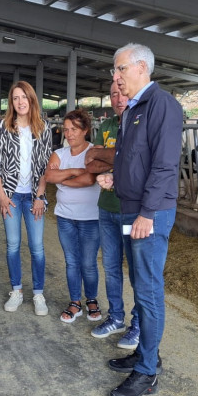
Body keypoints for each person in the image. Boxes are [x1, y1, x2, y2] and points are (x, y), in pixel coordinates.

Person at [97, 43, 182, 396]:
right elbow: (134, 159)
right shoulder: (134, 109)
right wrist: (115, 178)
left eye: (120, 70)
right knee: (140, 282)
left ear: (142, 68)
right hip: (133, 207)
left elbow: (164, 165)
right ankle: (146, 352)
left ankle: (147, 373)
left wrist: (147, 213)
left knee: (148, 289)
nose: (115, 78)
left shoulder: (161, 106)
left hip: (150, 212)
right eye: (114, 71)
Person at [0, 80, 52, 315]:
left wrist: (40, 196)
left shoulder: (43, 128)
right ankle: (16, 291)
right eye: (15, 98)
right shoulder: (2, 127)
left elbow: (46, 167)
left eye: (24, 97)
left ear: (31, 99)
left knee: (37, 247)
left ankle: (38, 294)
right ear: (11, 103)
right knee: (13, 245)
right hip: (11, 196)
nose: (20, 102)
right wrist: (2, 196)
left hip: (34, 196)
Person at [86, 82, 140, 349]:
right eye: (113, 94)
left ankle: (138, 324)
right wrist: (116, 158)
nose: (118, 98)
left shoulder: (139, 123)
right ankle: (116, 317)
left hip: (131, 212)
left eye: (122, 93)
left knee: (136, 269)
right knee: (110, 267)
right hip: (106, 208)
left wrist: (110, 157)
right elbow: (90, 160)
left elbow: (134, 159)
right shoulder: (107, 127)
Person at [44, 109, 102, 324]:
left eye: (74, 129)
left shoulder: (95, 151)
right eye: (66, 129)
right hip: (65, 216)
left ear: (85, 130)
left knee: (88, 262)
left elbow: (90, 180)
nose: (68, 134)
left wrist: (64, 178)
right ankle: (75, 301)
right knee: (71, 261)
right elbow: (49, 176)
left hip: (90, 217)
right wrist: (77, 171)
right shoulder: (59, 154)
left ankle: (92, 299)